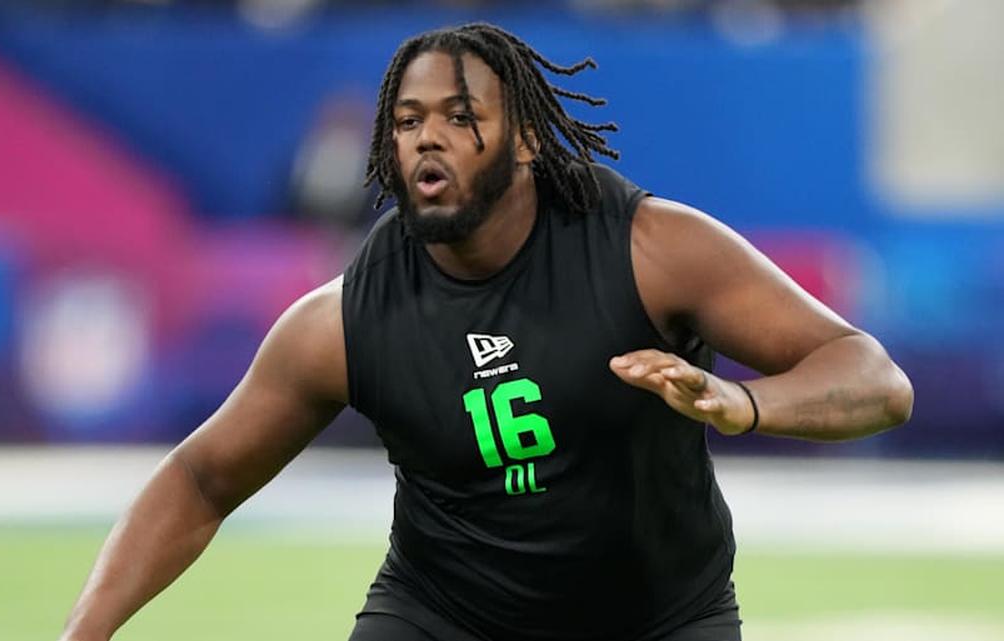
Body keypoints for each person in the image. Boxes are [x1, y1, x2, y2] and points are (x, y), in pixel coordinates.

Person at [58, 23, 913, 641]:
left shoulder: (650, 250)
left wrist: (744, 402)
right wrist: (83, 632)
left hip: (655, 616)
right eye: (407, 120)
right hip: (444, 615)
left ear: (527, 139)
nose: (428, 137)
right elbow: (201, 478)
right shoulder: (344, 321)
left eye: (461, 116)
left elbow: (875, 378)